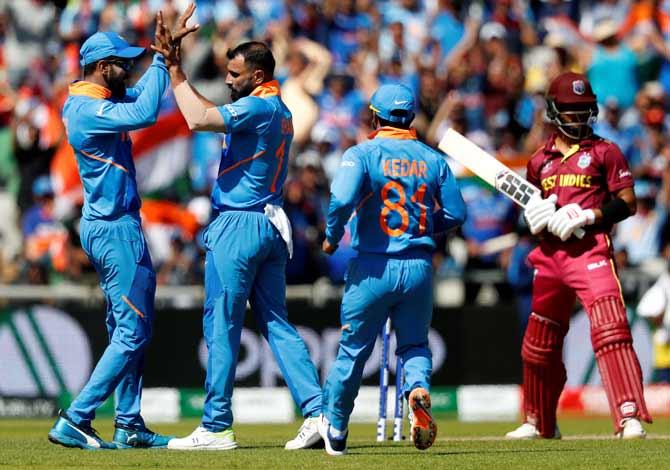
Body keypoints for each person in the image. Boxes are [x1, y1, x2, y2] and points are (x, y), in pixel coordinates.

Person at [151, 6, 323, 451]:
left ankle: (215, 425)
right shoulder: (277, 107)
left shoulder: (261, 107)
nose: (228, 80)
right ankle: (318, 412)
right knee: (277, 324)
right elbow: (211, 110)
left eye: (234, 73)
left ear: (258, 74)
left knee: (221, 324)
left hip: (239, 224)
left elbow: (197, 119)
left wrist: (173, 67)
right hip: (268, 223)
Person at [47, 20, 190, 449]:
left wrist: (163, 60)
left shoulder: (90, 99)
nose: (131, 69)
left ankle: (128, 423)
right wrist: (162, 58)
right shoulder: (90, 109)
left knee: (124, 329)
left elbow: (147, 97)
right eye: (124, 64)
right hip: (115, 229)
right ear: (103, 66)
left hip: (106, 226)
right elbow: (146, 112)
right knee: (132, 331)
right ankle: (77, 416)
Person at [318, 83, 467, 455]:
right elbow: (456, 213)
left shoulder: (362, 154)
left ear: (374, 115)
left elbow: (340, 198)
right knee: (415, 344)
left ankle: (336, 427)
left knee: (353, 351)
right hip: (418, 267)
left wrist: (333, 236)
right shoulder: (432, 159)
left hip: (373, 266)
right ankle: (417, 389)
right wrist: (418, 228)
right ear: (412, 117)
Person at [507, 72, 651, 440]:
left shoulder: (606, 151)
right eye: (571, 111)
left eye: (584, 110)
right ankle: (538, 421)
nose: (578, 117)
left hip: (590, 250)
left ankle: (628, 415)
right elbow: (536, 218)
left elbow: (628, 203)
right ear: (554, 112)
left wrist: (589, 215)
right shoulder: (539, 161)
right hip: (551, 256)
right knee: (539, 342)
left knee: (610, 328)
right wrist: (534, 220)